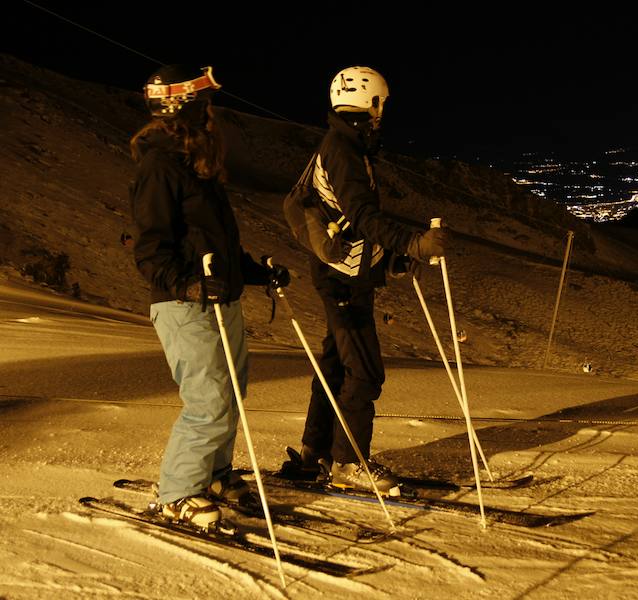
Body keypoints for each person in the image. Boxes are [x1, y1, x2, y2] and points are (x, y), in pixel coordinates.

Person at [129, 64, 290, 528]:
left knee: (231, 394)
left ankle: (215, 471)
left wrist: (256, 272)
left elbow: (215, 242)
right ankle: (178, 490)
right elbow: (150, 248)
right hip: (184, 305)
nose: (211, 115)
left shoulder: (195, 165)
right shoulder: (159, 168)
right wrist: (187, 284)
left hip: (220, 298)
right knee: (208, 401)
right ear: (188, 108)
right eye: (206, 106)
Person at [284, 66, 447, 494]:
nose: (383, 113)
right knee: (365, 371)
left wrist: (387, 261)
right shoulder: (343, 150)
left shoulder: (346, 145)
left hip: (346, 274)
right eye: (381, 105)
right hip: (342, 281)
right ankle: (349, 463)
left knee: (337, 365)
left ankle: (315, 450)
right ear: (369, 103)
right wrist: (415, 244)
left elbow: (350, 221)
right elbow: (364, 218)